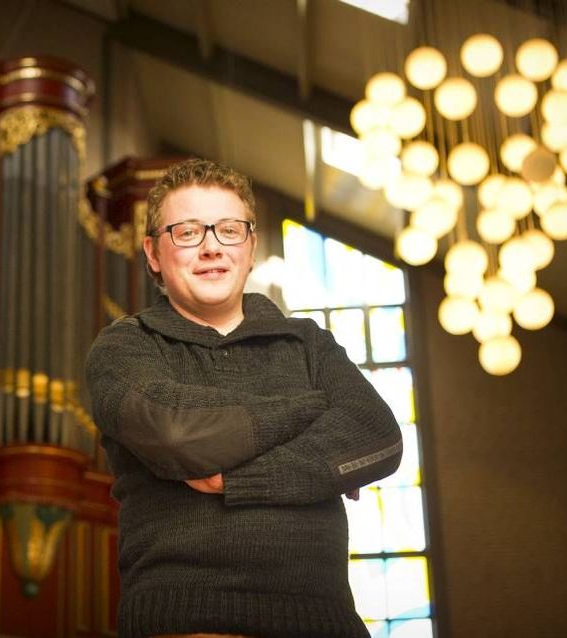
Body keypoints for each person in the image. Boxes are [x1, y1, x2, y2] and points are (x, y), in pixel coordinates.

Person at [84, 158, 403, 638]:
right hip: (189, 623)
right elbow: (176, 433)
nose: (212, 247)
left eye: (230, 230)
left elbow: (378, 436)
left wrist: (239, 480)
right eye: (187, 232)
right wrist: (312, 410)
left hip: (326, 620)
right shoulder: (125, 346)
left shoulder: (308, 342)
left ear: (250, 245)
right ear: (153, 253)